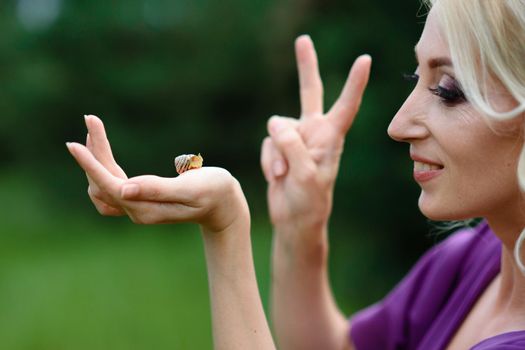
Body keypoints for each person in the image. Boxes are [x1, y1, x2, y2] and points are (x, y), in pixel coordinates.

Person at [67, 0, 525, 348]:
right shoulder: (475, 259)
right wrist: (300, 229)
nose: (398, 125)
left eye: (447, 91)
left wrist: (226, 228)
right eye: (416, 78)